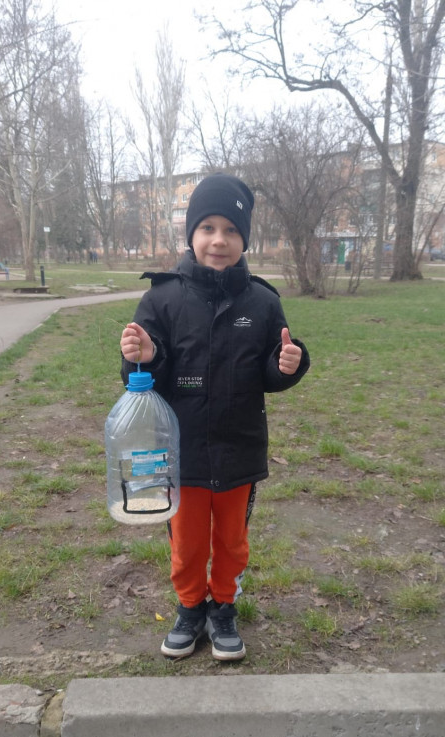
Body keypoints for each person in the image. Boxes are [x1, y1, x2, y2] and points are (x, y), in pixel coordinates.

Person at [120, 173, 310, 662]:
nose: (219, 240)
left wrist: (288, 364)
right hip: (179, 453)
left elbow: (271, 369)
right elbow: (142, 374)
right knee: (186, 543)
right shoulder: (161, 298)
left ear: (245, 239)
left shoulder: (263, 302)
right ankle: (190, 607)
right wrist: (144, 356)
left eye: (231, 229)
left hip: (238, 449)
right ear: (191, 234)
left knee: (231, 541)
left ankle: (223, 607)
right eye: (207, 227)